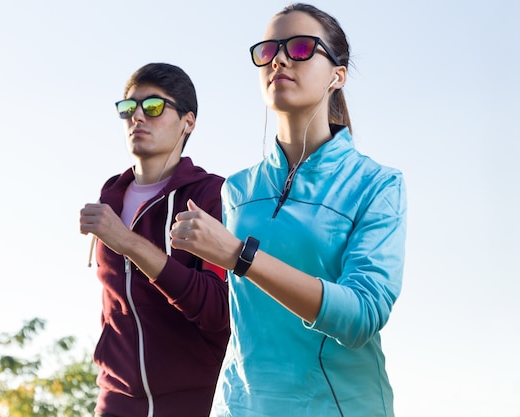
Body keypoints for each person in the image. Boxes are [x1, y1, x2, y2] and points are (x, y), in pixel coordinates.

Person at [170, 4, 407, 417]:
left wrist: (239, 257)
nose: (278, 59)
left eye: (299, 47)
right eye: (268, 51)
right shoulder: (238, 189)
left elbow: (362, 315)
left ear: (337, 75)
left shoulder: (377, 184)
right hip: (240, 408)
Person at [79, 62, 230, 417]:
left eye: (154, 107)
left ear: (188, 121)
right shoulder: (110, 198)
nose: (138, 118)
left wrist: (128, 242)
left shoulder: (211, 196)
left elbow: (217, 309)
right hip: (115, 401)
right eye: (129, 108)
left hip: (195, 400)